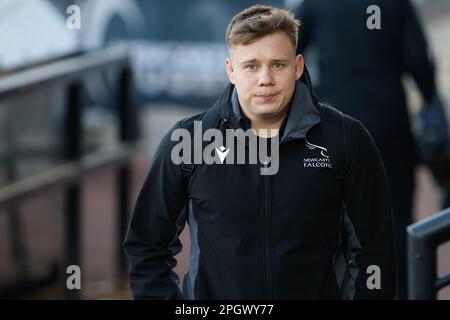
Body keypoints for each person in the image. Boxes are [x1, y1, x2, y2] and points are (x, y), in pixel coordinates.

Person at [123, 5, 396, 300]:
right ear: (231, 70)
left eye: (278, 64)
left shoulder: (345, 138)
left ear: (298, 66)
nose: (265, 79)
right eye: (251, 66)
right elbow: (146, 247)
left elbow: (374, 255)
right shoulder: (190, 142)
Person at [294, 0, 448, 299]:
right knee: (397, 220)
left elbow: (286, 51)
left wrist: (311, 96)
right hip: (389, 124)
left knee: (334, 220)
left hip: (335, 127)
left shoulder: (317, 4)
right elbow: (418, 59)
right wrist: (431, 100)